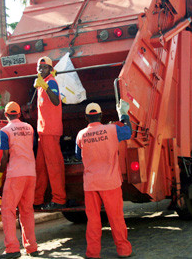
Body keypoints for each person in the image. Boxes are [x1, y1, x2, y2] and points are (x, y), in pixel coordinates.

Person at [75, 101, 133, 259]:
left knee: (93, 221)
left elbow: (77, 156)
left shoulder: (80, 135)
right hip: (110, 183)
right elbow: (128, 132)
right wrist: (123, 114)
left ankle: (93, 253)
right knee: (116, 218)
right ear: (101, 115)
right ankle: (124, 250)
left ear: (86, 117)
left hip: (91, 184)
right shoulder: (112, 129)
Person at [0, 102, 38, 259]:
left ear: (6, 115)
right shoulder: (29, 128)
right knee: (27, 211)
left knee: (8, 210)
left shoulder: (5, 131)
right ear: (19, 114)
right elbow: (32, 148)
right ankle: (31, 247)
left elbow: (5, 157)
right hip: (31, 173)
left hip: (16, 174)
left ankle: (12, 248)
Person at [33, 56, 66, 209]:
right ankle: (37, 199)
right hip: (43, 132)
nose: (41, 69)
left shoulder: (50, 82)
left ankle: (59, 199)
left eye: (44, 67)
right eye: (39, 67)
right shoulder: (43, 83)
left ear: (50, 69)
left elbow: (55, 101)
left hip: (50, 131)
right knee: (41, 167)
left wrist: (46, 86)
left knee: (53, 166)